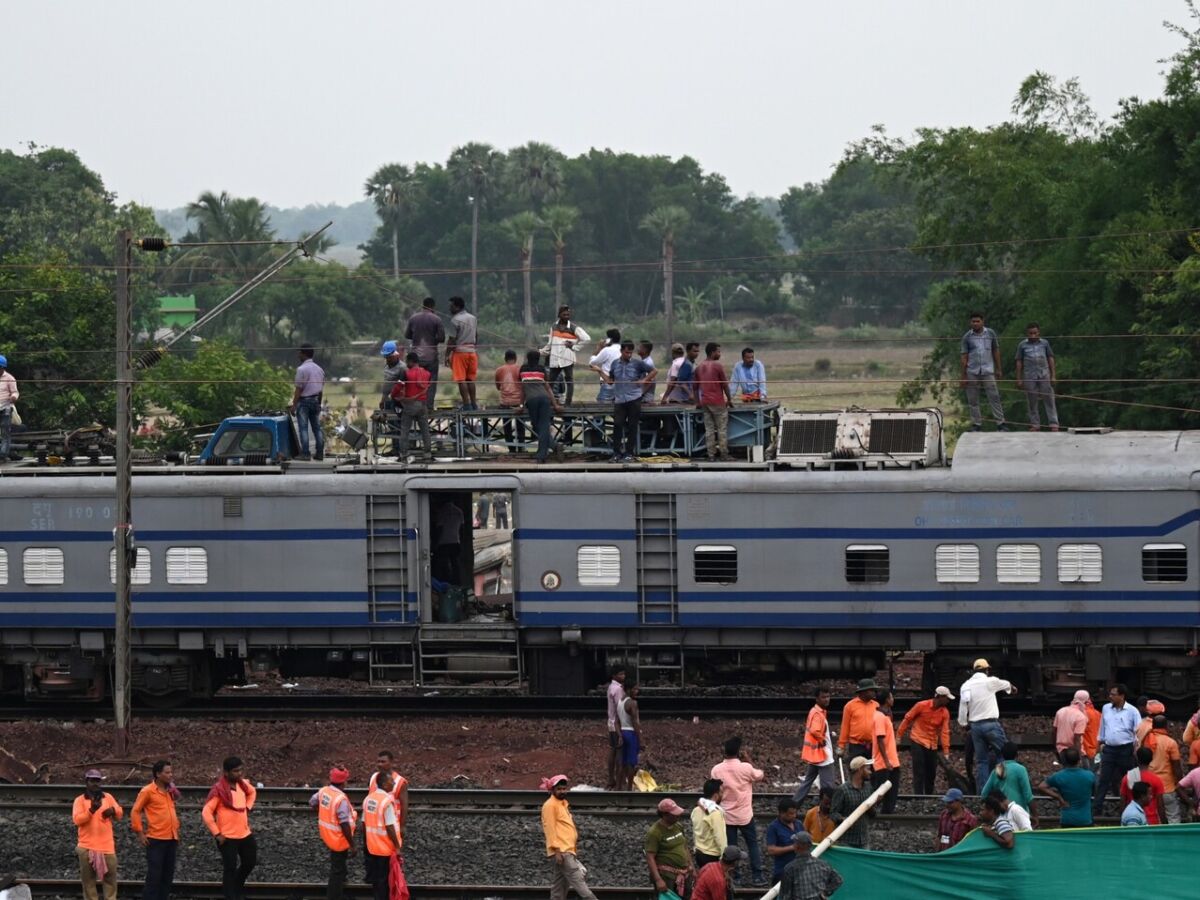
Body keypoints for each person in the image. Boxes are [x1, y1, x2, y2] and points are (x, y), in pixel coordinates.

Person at [710, 736, 766, 886]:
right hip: (745, 815)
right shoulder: (746, 768)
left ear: (724, 752)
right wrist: (748, 760)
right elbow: (760, 775)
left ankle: (735, 876)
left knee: (732, 847)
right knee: (752, 844)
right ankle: (757, 876)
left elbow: (715, 790)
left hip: (726, 815)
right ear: (739, 752)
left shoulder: (716, 770)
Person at [958, 659, 1017, 794]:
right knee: (1002, 755)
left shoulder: (966, 685)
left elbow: (963, 707)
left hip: (975, 728)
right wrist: (1012, 689)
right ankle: (1002, 788)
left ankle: (984, 792)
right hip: (990, 724)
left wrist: (963, 723)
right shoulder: (990, 681)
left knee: (982, 761)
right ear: (986, 670)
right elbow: (1006, 684)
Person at [202, 756, 257, 900]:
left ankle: (236, 887)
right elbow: (206, 813)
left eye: (240, 770)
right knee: (230, 868)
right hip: (227, 837)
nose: (239, 774)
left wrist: (247, 807)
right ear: (226, 773)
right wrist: (217, 833)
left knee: (250, 862)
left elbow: (253, 792)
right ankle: (230, 895)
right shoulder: (219, 791)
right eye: (235, 771)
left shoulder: (243, 785)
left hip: (245, 834)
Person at [539, 774, 598, 900]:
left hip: (567, 851)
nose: (562, 791)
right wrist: (557, 850)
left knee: (558, 890)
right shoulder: (550, 805)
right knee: (582, 887)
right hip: (563, 852)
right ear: (552, 790)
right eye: (559, 789)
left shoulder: (561, 804)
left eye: (564, 789)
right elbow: (550, 829)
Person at [131, 759, 180, 900]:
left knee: (167, 876)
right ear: (158, 774)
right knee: (154, 876)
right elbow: (135, 811)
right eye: (167, 772)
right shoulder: (148, 791)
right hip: (156, 839)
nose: (171, 775)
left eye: (171, 772)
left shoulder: (170, 790)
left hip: (171, 838)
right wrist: (140, 833)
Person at [74, 769, 123, 900]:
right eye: (92, 781)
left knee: (110, 882)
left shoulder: (108, 797)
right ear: (86, 782)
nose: (95, 784)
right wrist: (91, 810)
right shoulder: (79, 800)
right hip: (86, 847)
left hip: (107, 847)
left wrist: (113, 810)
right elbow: (77, 820)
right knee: (88, 882)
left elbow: (120, 813)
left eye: (97, 781)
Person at [602, 340, 655, 462]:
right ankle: (616, 453)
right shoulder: (615, 364)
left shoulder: (638, 363)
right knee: (618, 425)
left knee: (632, 426)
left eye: (631, 353)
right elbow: (610, 381)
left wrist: (644, 380)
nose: (629, 355)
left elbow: (654, 371)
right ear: (621, 351)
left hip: (634, 399)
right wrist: (599, 371)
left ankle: (629, 453)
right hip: (620, 400)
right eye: (627, 352)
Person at [1093, 682, 1141, 817]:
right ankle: (1097, 809)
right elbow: (1103, 727)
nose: (1110, 697)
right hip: (1109, 749)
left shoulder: (1132, 711)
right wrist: (1099, 743)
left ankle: (1133, 807)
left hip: (1126, 749)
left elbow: (1138, 731)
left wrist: (1136, 748)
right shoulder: (1106, 708)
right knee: (1104, 779)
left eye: (1113, 695)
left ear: (1122, 696)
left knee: (1130, 779)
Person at [310, 766, 357, 900]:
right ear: (343, 782)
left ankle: (343, 877)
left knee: (339, 864)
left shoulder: (324, 791)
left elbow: (312, 802)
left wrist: (320, 811)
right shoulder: (340, 799)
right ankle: (334, 895)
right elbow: (344, 823)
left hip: (328, 835)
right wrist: (352, 844)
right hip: (338, 839)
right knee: (336, 870)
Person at [897, 686, 954, 795]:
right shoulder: (921, 705)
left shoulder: (944, 712)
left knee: (931, 771)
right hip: (917, 739)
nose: (948, 701)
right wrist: (899, 735)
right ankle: (918, 795)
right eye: (946, 698)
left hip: (932, 743)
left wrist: (946, 750)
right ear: (939, 697)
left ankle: (929, 794)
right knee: (919, 769)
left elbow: (945, 731)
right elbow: (907, 719)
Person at [959, 312, 1007, 431]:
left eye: (977, 321)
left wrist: (999, 369)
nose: (975, 324)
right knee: (973, 399)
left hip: (988, 370)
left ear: (982, 322)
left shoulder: (990, 333)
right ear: (970, 323)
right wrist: (963, 375)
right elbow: (964, 356)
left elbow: (996, 351)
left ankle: (1001, 423)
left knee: (994, 397)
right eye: (973, 321)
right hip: (972, 371)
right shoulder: (967, 337)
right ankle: (977, 424)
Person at [361, 770, 402, 900]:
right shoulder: (386, 802)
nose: (394, 783)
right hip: (384, 848)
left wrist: (366, 841)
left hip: (371, 846)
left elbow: (363, 823)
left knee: (376, 879)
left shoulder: (368, 798)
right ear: (384, 784)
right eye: (391, 781)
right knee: (384, 880)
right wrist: (397, 846)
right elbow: (390, 827)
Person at [645, 798, 694, 899]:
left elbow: (684, 846)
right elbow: (650, 857)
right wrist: (658, 880)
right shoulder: (655, 832)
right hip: (667, 876)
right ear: (665, 815)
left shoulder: (678, 826)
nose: (678, 816)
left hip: (684, 874)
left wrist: (691, 866)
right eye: (674, 814)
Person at [520, 349, 563, 463]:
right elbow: (548, 388)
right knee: (543, 426)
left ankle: (541, 456)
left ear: (527, 358)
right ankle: (554, 446)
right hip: (544, 399)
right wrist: (555, 404)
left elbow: (522, 389)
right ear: (539, 359)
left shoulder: (523, 369)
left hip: (531, 400)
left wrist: (520, 405)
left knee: (538, 426)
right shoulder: (542, 369)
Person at [1014, 323, 1059, 431]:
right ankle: (1035, 424)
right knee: (1032, 400)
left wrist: (1053, 375)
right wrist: (1019, 378)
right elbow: (1019, 361)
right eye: (1030, 333)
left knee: (1049, 398)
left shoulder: (1044, 343)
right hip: (1029, 375)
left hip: (1044, 373)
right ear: (1027, 334)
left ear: (1039, 332)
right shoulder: (1022, 345)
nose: (1033, 335)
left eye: (1035, 333)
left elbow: (1050, 358)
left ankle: (1054, 423)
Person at [794, 687, 835, 803]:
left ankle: (794, 804)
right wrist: (822, 739)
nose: (827, 700)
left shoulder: (816, 711)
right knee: (828, 786)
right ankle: (827, 808)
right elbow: (815, 730)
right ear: (817, 699)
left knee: (807, 782)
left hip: (815, 756)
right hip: (823, 756)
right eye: (823, 697)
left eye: (828, 697)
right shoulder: (818, 714)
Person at [979, 742, 1035, 828]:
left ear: (1002, 755)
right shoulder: (1020, 769)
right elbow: (1028, 795)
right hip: (1019, 816)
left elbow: (984, 794)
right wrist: (1035, 815)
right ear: (1017, 755)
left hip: (1001, 818)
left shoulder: (997, 769)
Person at [694, 342, 733, 461]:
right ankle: (724, 454)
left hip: (705, 402)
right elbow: (725, 385)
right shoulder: (717, 366)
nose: (719, 354)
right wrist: (729, 399)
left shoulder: (699, 367)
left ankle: (711, 455)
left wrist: (698, 402)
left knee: (709, 430)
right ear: (712, 352)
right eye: (718, 351)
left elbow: (695, 388)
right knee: (722, 429)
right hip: (718, 402)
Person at [544, 305, 590, 405]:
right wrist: (541, 351)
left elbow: (587, 339)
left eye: (568, 314)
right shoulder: (554, 327)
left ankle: (568, 402)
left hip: (568, 358)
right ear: (559, 315)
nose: (566, 316)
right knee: (551, 381)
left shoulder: (573, 327)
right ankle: (549, 401)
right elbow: (550, 343)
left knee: (569, 380)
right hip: (555, 359)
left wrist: (574, 347)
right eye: (564, 314)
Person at [405, 297, 445, 410]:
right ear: (433, 307)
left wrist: (417, 336)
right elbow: (442, 338)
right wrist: (433, 338)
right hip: (431, 356)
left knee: (414, 381)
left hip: (416, 357)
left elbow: (407, 335)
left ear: (423, 305)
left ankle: (414, 405)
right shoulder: (437, 319)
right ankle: (428, 406)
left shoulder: (413, 318)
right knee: (431, 382)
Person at [1039, 748, 1095, 827]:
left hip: (1067, 819)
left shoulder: (1058, 776)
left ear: (1064, 762)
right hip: (1085, 819)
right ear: (1079, 761)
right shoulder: (1090, 775)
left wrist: (1058, 797)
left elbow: (1041, 787)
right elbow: (1094, 791)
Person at [778, 832, 842, 900]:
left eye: (794, 843)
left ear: (796, 846)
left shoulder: (790, 868)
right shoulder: (823, 864)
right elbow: (838, 880)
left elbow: (785, 896)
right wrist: (825, 893)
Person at [1144, 714, 1183, 823]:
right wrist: (1180, 785)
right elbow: (1177, 767)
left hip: (1150, 788)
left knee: (1155, 818)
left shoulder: (1146, 741)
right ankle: (1175, 840)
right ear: (1166, 726)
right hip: (1167, 787)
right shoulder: (1170, 742)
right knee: (1173, 817)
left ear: (1153, 725)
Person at [290, 343, 326, 460]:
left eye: (300, 352)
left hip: (304, 401)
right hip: (316, 400)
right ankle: (319, 453)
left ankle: (305, 454)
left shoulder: (301, 369)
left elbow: (298, 389)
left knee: (303, 428)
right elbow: (321, 390)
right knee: (317, 428)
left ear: (304, 354)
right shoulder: (320, 369)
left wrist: (294, 405)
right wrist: (319, 404)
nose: (298, 354)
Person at [830, 756, 875, 849]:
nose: (870, 772)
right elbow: (833, 813)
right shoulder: (843, 790)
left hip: (864, 840)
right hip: (847, 842)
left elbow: (873, 814)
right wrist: (843, 819)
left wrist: (873, 805)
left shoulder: (868, 788)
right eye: (867, 769)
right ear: (860, 769)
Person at [395, 353, 433, 459]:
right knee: (425, 430)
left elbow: (398, 387)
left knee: (405, 430)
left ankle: (403, 453)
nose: (406, 364)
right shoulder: (427, 373)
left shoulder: (407, 373)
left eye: (407, 361)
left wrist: (394, 396)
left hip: (409, 405)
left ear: (411, 361)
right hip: (423, 405)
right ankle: (427, 453)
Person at [445, 296, 478, 409]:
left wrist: (446, 354)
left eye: (452, 306)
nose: (450, 308)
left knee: (461, 380)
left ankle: (466, 404)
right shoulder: (473, 318)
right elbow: (476, 335)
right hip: (472, 352)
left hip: (460, 352)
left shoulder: (455, 320)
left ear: (457, 306)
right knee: (471, 379)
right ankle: (474, 404)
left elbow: (452, 339)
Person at [870, 689, 900, 814]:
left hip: (891, 761)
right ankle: (869, 810)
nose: (893, 699)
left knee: (890, 792)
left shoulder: (884, 715)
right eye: (891, 697)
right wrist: (887, 761)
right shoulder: (880, 717)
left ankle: (887, 814)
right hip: (884, 762)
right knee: (881, 791)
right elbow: (880, 739)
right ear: (887, 700)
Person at [368, 750, 410, 837]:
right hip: (375, 826)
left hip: (392, 826)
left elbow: (404, 806)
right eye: (378, 761)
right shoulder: (373, 777)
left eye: (383, 762)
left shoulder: (399, 782)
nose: (379, 764)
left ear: (391, 762)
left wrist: (402, 826)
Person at [837, 679, 879, 765]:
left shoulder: (876, 705)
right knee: (856, 771)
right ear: (864, 692)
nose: (874, 692)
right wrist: (841, 746)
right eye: (871, 690)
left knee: (872, 771)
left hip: (872, 745)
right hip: (856, 745)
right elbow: (845, 727)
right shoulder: (850, 706)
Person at [1119, 746, 1165, 825]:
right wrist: (1165, 824)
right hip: (1152, 820)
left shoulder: (1127, 778)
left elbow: (1122, 801)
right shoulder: (1156, 780)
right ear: (1151, 759)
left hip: (1131, 818)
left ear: (1137, 759)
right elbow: (1160, 806)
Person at [494, 350, 527, 451]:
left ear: (505, 358)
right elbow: (524, 386)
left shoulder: (499, 370)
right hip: (518, 403)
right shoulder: (520, 369)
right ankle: (521, 448)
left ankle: (511, 449)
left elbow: (498, 387)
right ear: (515, 358)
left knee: (507, 427)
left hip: (505, 403)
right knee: (520, 426)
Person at [377, 340, 406, 457]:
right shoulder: (386, 366)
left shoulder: (402, 368)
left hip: (399, 402)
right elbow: (386, 385)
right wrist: (383, 399)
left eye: (389, 357)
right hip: (388, 401)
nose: (387, 359)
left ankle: (401, 449)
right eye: (386, 357)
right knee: (391, 424)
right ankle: (395, 448)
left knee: (399, 425)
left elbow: (404, 386)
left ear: (395, 354)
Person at [691, 778, 727, 868]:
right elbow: (720, 837)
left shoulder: (696, 810)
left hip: (699, 853)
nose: (722, 795)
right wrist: (724, 857)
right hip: (712, 856)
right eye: (721, 792)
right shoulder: (715, 813)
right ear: (715, 795)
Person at [765, 799, 801, 884]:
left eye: (795, 813)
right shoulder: (774, 827)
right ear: (782, 813)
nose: (794, 816)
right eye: (791, 814)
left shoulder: (798, 824)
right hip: (783, 871)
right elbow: (771, 850)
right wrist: (792, 847)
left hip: (800, 870)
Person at [617, 682, 642, 791]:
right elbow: (635, 722)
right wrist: (641, 740)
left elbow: (616, 722)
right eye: (635, 689)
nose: (637, 691)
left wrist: (619, 735)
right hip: (631, 733)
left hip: (623, 731)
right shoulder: (632, 703)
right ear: (628, 689)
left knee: (622, 763)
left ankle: (618, 788)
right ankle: (629, 789)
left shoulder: (620, 702)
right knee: (631, 763)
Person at [432, 498, 464, 585]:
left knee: (443, 565)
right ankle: (457, 583)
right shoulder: (459, 511)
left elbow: (439, 529)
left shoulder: (442, 512)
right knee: (455, 564)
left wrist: (435, 544)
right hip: (455, 542)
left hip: (443, 542)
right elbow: (461, 528)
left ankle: (445, 583)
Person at [605, 667, 627, 790]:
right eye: (620, 674)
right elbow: (620, 708)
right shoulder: (618, 689)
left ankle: (611, 779)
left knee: (613, 750)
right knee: (619, 752)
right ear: (614, 675)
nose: (623, 676)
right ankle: (620, 781)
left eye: (624, 674)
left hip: (611, 723)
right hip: (618, 724)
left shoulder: (610, 687)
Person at [1053, 690, 1090, 762]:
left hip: (1061, 750)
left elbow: (1054, 732)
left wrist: (1056, 749)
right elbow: (1077, 738)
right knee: (1086, 771)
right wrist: (1079, 757)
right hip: (1073, 753)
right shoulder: (1081, 716)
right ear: (1086, 701)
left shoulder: (1060, 711)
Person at [588, 329, 623, 402]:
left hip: (608, 383)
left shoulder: (607, 350)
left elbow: (592, 363)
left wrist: (599, 348)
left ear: (609, 339)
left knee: (602, 407)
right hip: (621, 384)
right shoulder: (622, 349)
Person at [0, 355, 18, 461]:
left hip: (5, 408)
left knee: (5, 432)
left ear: (2, 368)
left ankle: (2, 455)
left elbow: (15, 392)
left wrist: (14, 397)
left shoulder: (9, 378)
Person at [1082, 693, 1102, 770]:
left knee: (1088, 771)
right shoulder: (1098, 713)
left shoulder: (1083, 714)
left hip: (1087, 750)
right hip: (1097, 750)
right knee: (1096, 770)